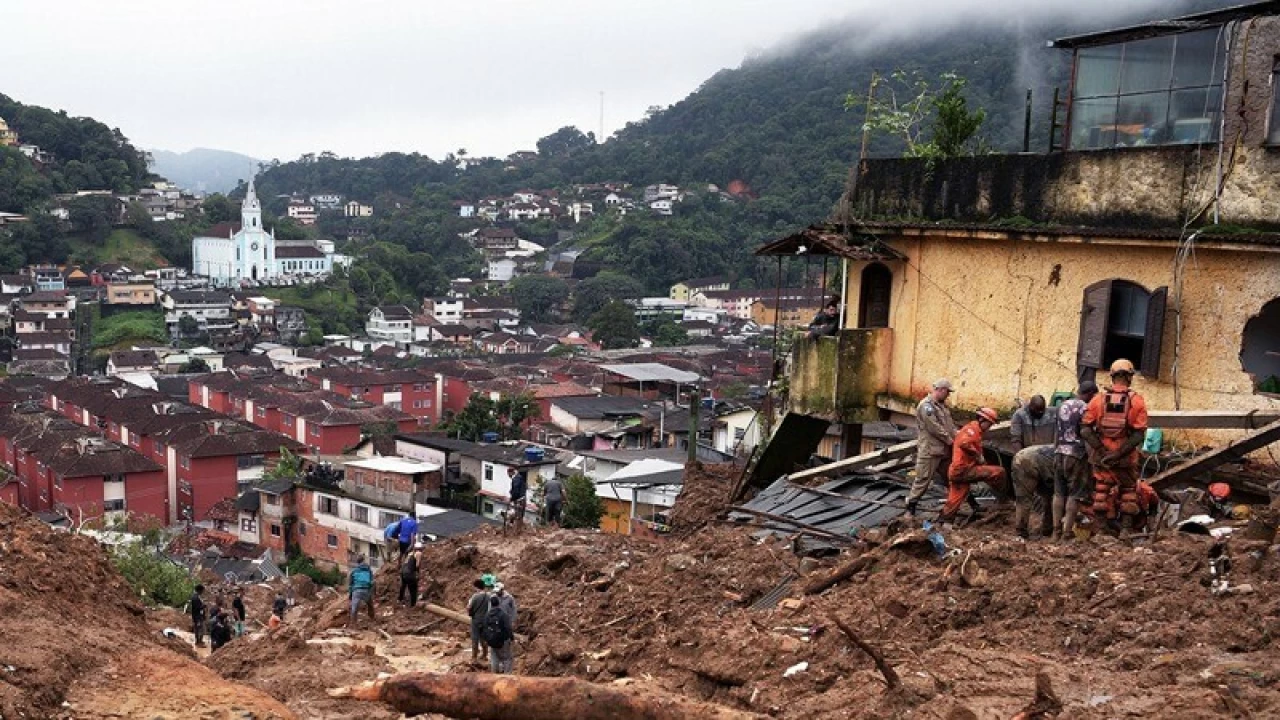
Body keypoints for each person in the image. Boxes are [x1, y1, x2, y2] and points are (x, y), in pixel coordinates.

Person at [1081, 359, 1149, 533]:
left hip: (1102, 457)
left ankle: (1101, 531)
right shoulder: (1137, 402)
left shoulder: (1097, 400)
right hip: (1125, 458)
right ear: (1130, 377)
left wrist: (1104, 452)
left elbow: (1086, 430)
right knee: (1128, 493)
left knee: (1101, 491)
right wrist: (1118, 454)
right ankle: (1126, 531)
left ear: (1112, 377)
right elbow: (1138, 434)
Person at [942, 407, 1009, 523]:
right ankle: (1003, 501)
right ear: (982, 420)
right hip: (963, 470)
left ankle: (943, 522)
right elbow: (964, 443)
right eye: (989, 424)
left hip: (957, 472)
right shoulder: (971, 430)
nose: (989, 427)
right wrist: (978, 456)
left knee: (954, 500)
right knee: (999, 472)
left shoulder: (975, 431)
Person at [1053, 381, 1099, 540]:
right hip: (1076, 455)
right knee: (1074, 495)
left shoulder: (1062, 406)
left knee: (1059, 494)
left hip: (1059, 453)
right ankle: (1066, 533)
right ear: (1091, 394)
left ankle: (1055, 531)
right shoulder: (1085, 409)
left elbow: (1056, 432)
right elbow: (1086, 434)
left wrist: (1056, 449)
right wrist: (1095, 454)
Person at [906, 379, 958, 517]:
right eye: (947, 392)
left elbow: (950, 426)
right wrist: (950, 441)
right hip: (930, 451)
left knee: (952, 477)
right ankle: (910, 507)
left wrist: (958, 436)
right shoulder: (926, 406)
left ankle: (964, 504)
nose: (948, 395)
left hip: (943, 451)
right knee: (923, 480)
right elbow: (934, 428)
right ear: (940, 390)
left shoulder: (942, 407)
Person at [1011, 444, 1056, 539]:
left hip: (1027, 458)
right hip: (1027, 461)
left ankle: (1047, 528)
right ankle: (1021, 532)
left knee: (1049, 497)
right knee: (1024, 499)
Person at [482, 595, 515, 674]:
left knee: (494, 658)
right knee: (507, 658)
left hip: (491, 640)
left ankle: (494, 675)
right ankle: (507, 677)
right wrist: (511, 638)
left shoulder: (487, 615)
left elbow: (484, 628)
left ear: (491, 604)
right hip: (503, 640)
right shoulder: (503, 614)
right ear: (498, 603)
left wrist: (486, 639)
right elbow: (508, 627)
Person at [466, 579, 491, 665]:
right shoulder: (489, 596)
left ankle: (474, 658)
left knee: (475, 638)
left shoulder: (475, 596)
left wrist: (470, 613)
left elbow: (469, 607)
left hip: (476, 620)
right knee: (484, 638)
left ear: (476, 587)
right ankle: (484, 655)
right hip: (486, 620)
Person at [347, 555, 376, 628]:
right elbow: (372, 581)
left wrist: (350, 595)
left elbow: (350, 584)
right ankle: (372, 619)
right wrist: (371, 592)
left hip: (357, 591)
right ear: (363, 561)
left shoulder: (353, 571)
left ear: (357, 562)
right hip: (366, 590)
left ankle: (353, 624)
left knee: (354, 608)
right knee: (370, 605)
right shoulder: (369, 570)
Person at [508, 468, 529, 532]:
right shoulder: (520, 478)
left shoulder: (516, 479)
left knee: (517, 515)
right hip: (523, 498)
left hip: (519, 500)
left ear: (511, 472)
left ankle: (515, 530)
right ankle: (518, 530)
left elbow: (516, 491)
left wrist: (512, 498)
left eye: (508, 474)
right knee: (520, 515)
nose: (508, 475)